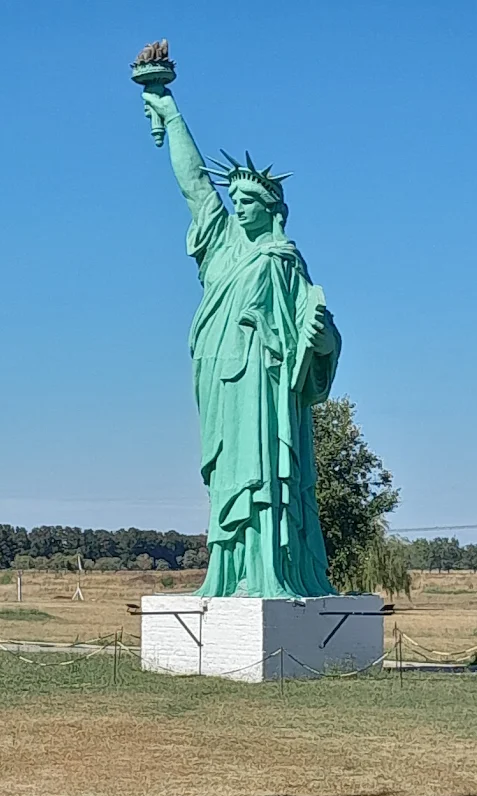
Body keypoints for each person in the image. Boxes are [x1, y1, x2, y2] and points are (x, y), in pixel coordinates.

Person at [143, 86, 341, 598]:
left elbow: (319, 326)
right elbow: (194, 186)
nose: (239, 207)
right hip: (218, 374)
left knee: (264, 472)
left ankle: (269, 572)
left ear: (274, 208)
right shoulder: (223, 243)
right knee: (228, 473)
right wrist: (169, 109)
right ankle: (226, 573)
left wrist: (321, 342)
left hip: (263, 378)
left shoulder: (282, 259)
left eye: (250, 201)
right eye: (236, 200)